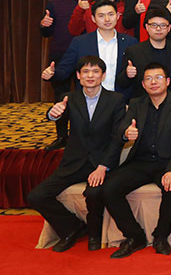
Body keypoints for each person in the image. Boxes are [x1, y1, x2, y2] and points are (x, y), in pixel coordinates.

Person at [93, 62, 171, 258]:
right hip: (141, 161)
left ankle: (161, 236)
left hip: (167, 162)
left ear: (168, 81)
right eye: (149, 79)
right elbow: (121, 131)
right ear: (143, 84)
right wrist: (126, 134)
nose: (154, 82)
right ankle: (134, 236)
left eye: (158, 77)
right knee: (109, 188)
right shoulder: (136, 104)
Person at [27, 56, 125, 252]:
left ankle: (95, 235)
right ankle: (72, 228)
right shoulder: (69, 98)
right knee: (36, 196)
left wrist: (103, 167)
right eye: (85, 72)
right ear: (78, 76)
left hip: (101, 163)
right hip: (73, 162)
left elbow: (117, 138)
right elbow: (56, 114)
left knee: (94, 193)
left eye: (95, 71)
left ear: (103, 75)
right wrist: (52, 114)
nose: (90, 76)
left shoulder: (116, 100)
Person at [40, 0, 93, 150]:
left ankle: (81, 137)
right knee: (60, 97)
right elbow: (46, 33)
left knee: (85, 96)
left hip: (86, 56)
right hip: (60, 56)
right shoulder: (54, 3)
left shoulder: (94, 1)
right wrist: (44, 24)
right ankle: (61, 136)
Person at [42, 0, 138, 100]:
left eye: (111, 14)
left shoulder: (130, 42)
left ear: (117, 16)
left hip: (120, 99)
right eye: (101, 16)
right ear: (93, 19)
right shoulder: (80, 42)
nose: (107, 19)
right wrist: (52, 73)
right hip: (89, 99)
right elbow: (65, 69)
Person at [117, 9, 171, 99]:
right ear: (147, 27)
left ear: (169, 28)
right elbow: (121, 83)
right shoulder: (134, 51)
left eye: (163, 25)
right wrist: (127, 74)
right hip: (142, 103)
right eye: (154, 25)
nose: (158, 29)